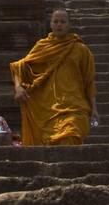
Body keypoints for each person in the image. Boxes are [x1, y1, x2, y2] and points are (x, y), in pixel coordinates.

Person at [10, 8, 97, 146]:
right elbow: (20, 67)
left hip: (74, 106)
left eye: (63, 22)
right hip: (47, 108)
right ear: (50, 24)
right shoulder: (43, 46)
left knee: (71, 134)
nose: (59, 25)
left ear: (69, 25)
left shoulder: (81, 50)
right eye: (55, 21)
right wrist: (18, 87)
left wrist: (94, 109)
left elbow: (89, 81)